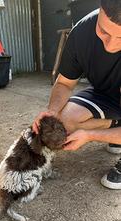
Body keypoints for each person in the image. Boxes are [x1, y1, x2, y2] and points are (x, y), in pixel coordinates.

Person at [33, 0, 121, 190]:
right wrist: (52, 111)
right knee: (63, 122)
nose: (110, 45)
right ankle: (116, 126)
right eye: (104, 32)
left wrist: (90, 135)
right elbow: (64, 83)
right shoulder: (81, 32)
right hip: (105, 94)